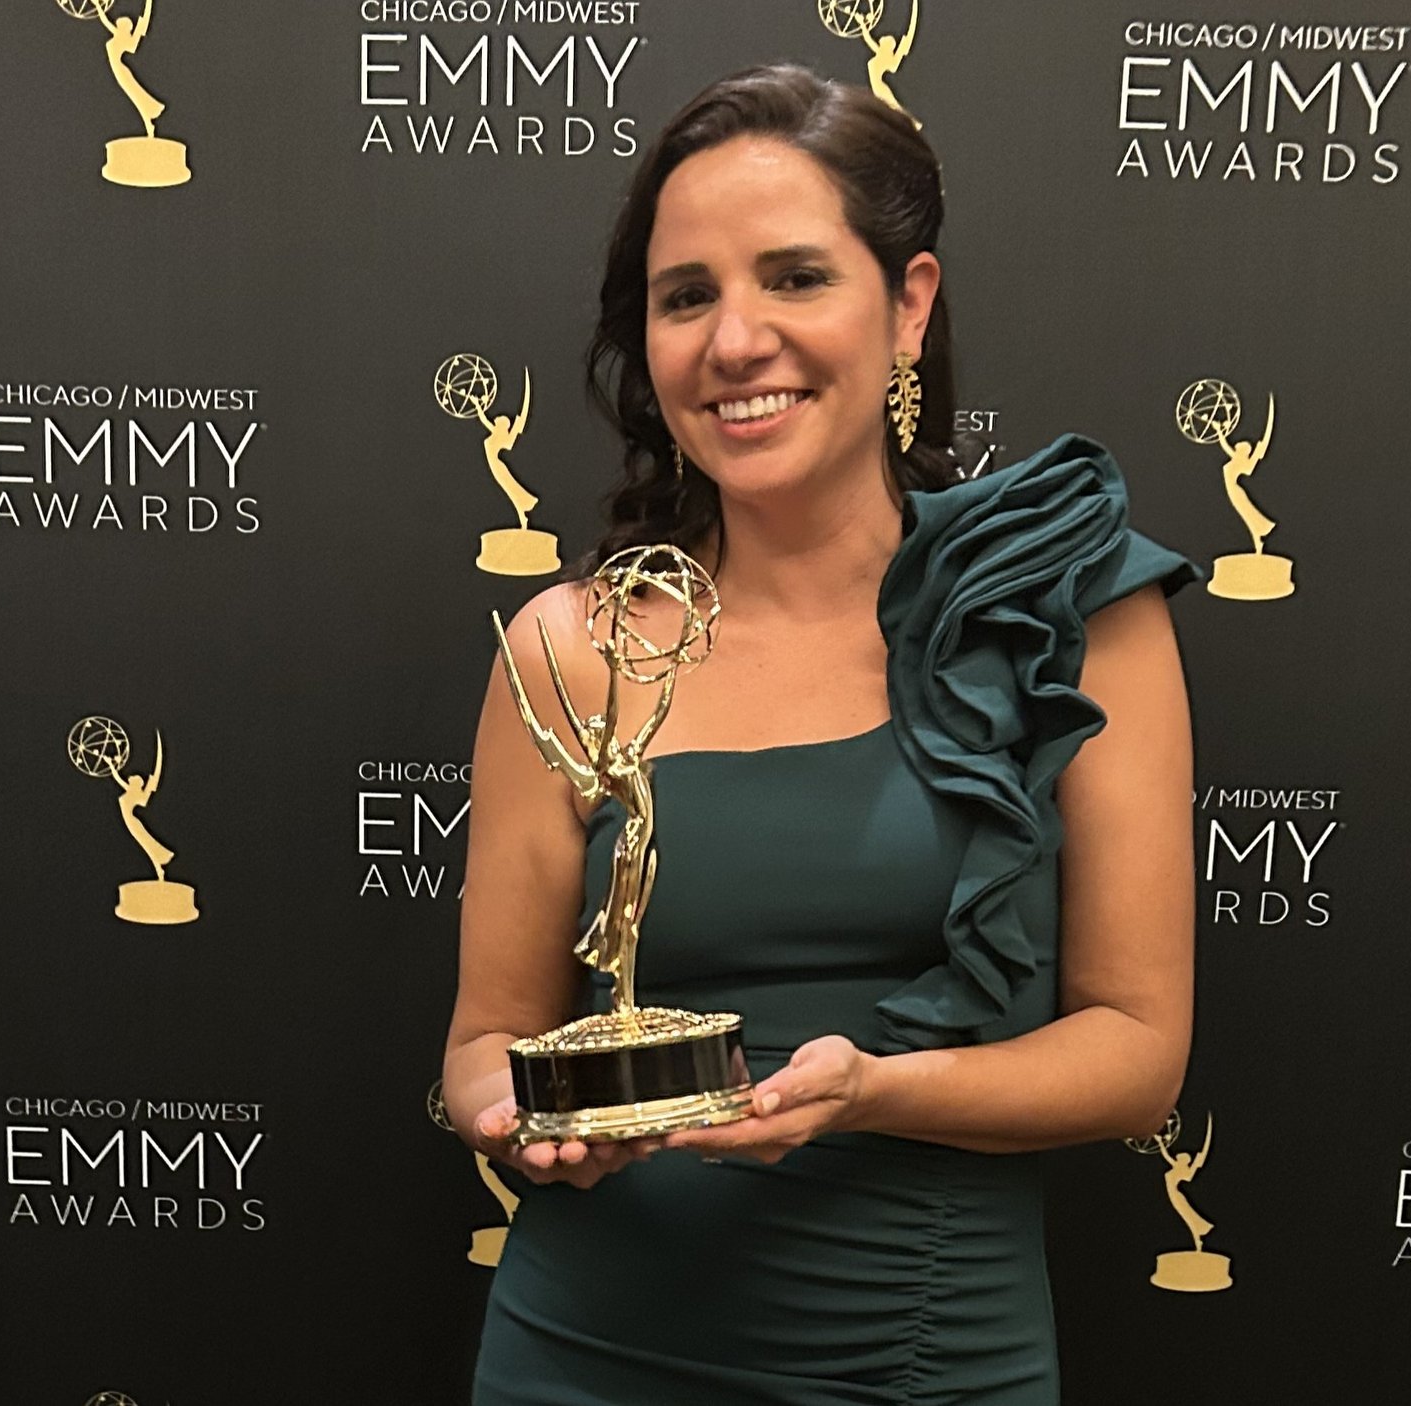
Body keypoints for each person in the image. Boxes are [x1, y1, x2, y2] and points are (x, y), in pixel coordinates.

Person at [443, 64, 1200, 1405]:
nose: (736, 341)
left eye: (795, 277)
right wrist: (531, 1124)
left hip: (919, 1354)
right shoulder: (566, 648)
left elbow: (1138, 1050)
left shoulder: (1065, 611)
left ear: (908, 305)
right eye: (688, 298)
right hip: (586, 1353)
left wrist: (869, 1089)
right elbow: (484, 1046)